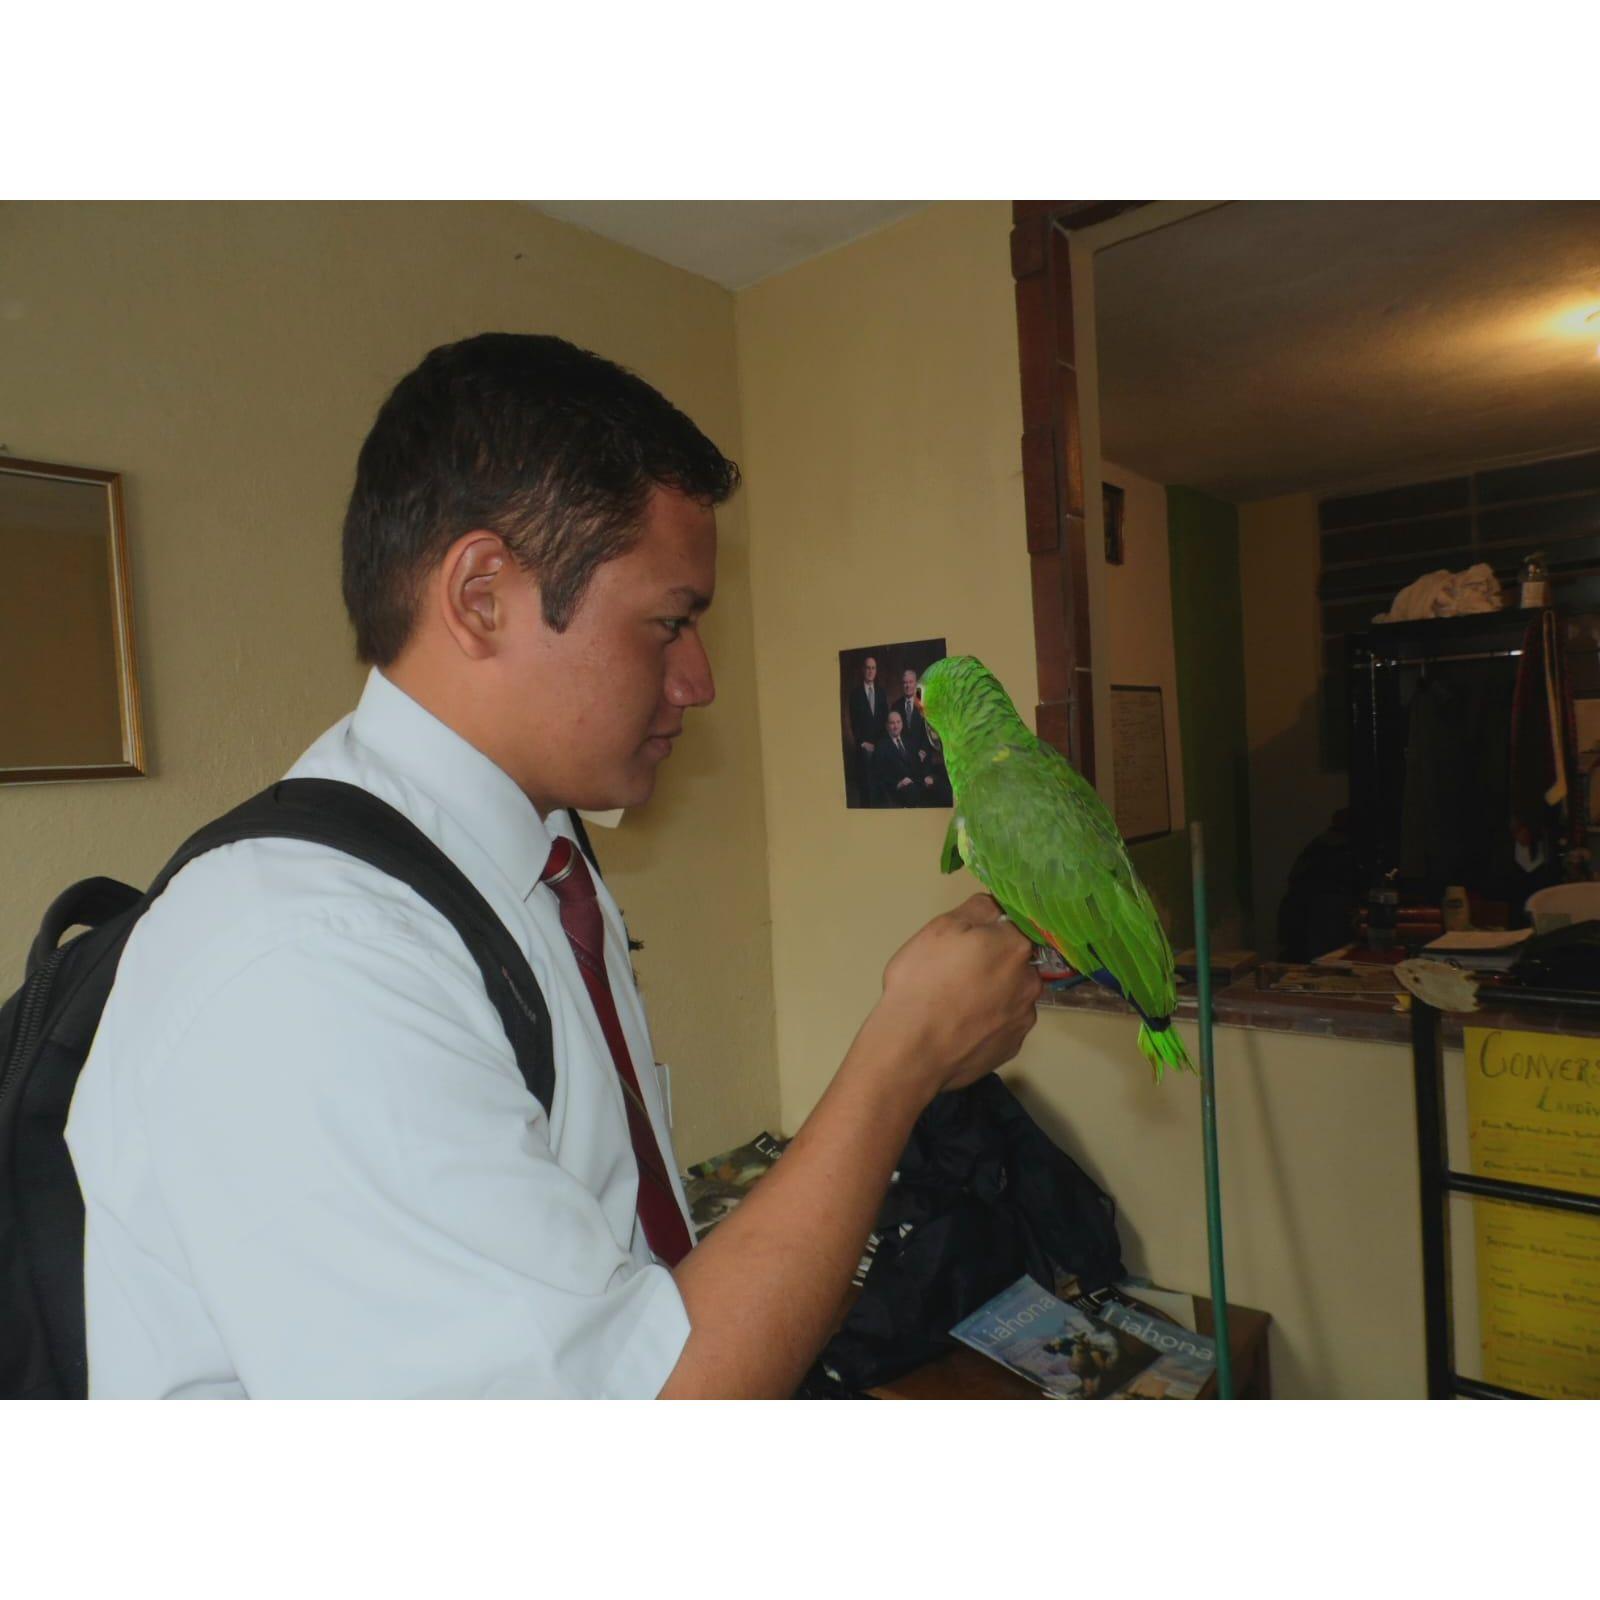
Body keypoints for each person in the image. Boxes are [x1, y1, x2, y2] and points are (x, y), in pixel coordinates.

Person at [65, 332, 1043, 1399]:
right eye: (669, 623)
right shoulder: (301, 959)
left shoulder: (536, 855)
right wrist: (901, 1057)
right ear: (482, 595)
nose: (699, 680)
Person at [846, 654, 887, 805]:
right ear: (863, 670)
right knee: (867, 791)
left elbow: (885, 721)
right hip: (864, 747)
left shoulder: (882, 693)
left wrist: (880, 744)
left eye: (873, 668)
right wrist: (863, 743)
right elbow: (854, 724)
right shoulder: (855, 695)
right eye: (868, 668)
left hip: (880, 744)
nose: (870, 671)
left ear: (876, 671)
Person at [873, 709, 926, 807]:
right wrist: (898, 784)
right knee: (913, 792)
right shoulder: (881, 746)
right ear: (887, 726)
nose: (896, 726)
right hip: (897, 788)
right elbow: (879, 775)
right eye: (892, 723)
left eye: (898, 722)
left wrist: (915, 778)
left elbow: (915, 766)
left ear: (902, 724)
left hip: (913, 781)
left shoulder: (908, 742)